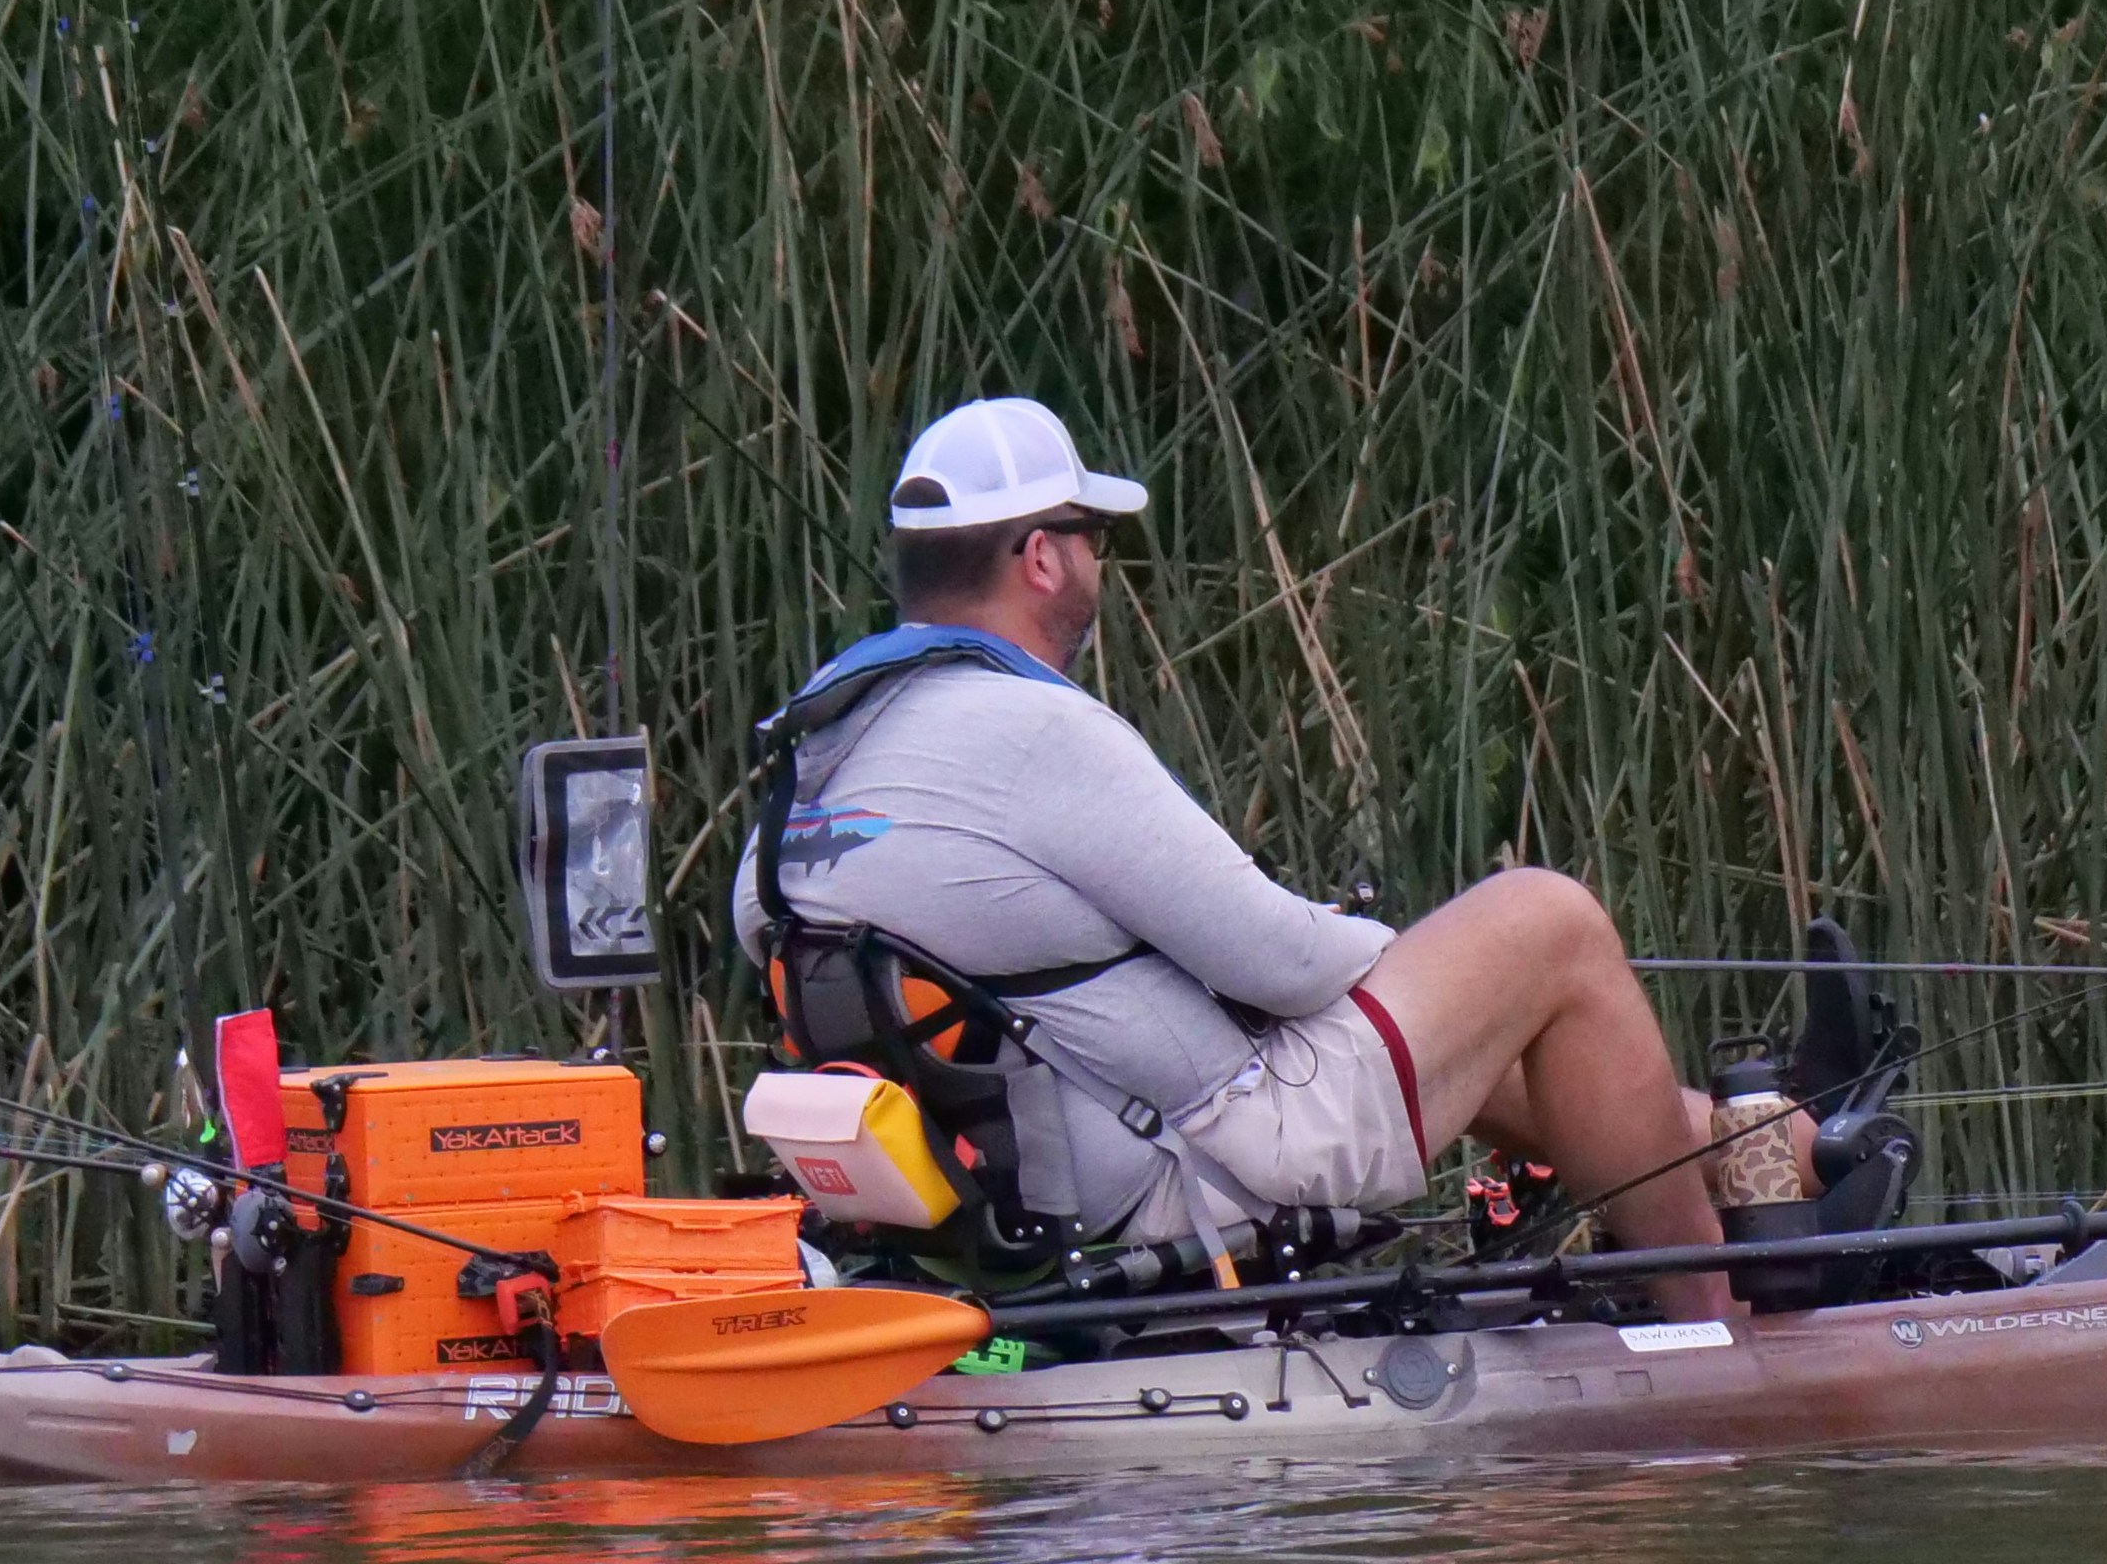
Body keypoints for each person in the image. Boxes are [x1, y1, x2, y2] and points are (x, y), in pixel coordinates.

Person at [737, 395, 1736, 1315]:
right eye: (1094, 541)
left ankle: (1772, 1147)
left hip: (999, 1208)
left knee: (1487, 1024)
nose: (1099, 566)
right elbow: (1284, 963)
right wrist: (1402, 955)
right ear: (1042, 557)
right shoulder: (1039, 730)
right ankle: (1714, 1334)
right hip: (1194, 1171)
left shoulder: (815, 750)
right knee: (1545, 925)